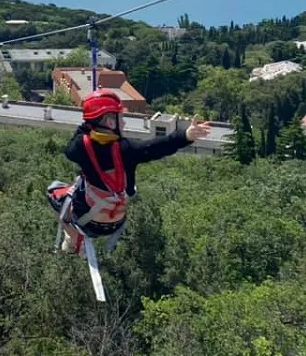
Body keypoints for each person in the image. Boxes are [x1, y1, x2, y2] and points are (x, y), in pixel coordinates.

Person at [47, 88, 212, 255]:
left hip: (86, 221)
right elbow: (156, 147)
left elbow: (71, 147)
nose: (124, 123)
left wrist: (88, 121)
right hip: (114, 223)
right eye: (120, 118)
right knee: (82, 181)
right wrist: (185, 136)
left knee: (54, 190)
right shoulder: (127, 150)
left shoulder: (80, 147)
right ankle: (79, 240)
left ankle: (72, 239)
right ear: (110, 122)